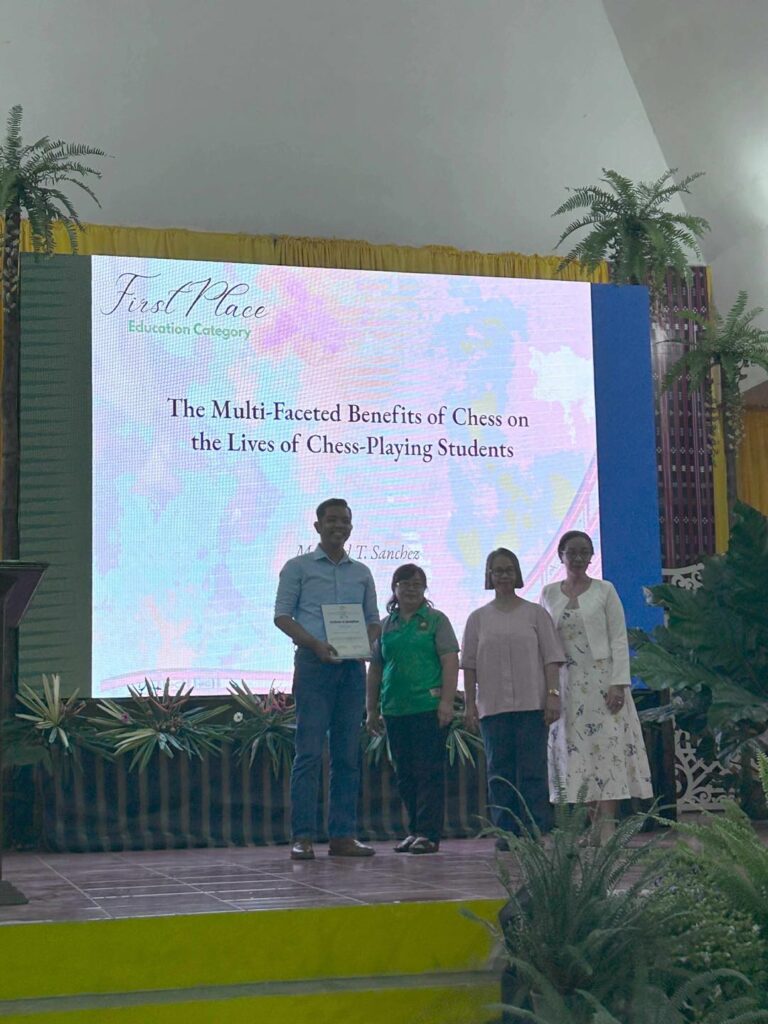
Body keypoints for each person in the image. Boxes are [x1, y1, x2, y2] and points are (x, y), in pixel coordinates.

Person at [274, 498, 380, 860]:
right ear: (317, 526)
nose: (339, 526)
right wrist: (315, 644)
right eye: (332, 520)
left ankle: (342, 836)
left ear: (351, 527)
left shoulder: (362, 572)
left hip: (351, 669)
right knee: (308, 752)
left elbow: (373, 621)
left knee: (347, 755)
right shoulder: (298, 567)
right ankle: (302, 836)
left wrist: (365, 642)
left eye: (344, 521)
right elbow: (282, 616)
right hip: (313, 665)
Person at [540, 530, 653, 843]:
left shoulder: (605, 590)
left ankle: (608, 827)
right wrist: (549, 689)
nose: (578, 558)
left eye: (584, 552)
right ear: (561, 555)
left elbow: (618, 638)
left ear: (592, 556)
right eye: (572, 552)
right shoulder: (549, 593)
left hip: (603, 683)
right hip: (567, 685)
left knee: (607, 752)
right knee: (579, 755)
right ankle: (592, 827)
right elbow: (545, 643)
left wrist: (619, 683)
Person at [462, 549, 565, 842]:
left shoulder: (536, 614)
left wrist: (553, 695)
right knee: (499, 772)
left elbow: (552, 658)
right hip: (493, 708)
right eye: (498, 570)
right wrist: (469, 705)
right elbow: (469, 665)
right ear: (489, 575)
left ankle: (535, 830)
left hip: (532, 705)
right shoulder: (477, 618)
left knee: (533, 772)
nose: (504, 575)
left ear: (517, 574)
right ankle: (506, 832)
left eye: (509, 570)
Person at [366, 564, 459, 854]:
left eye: (417, 584)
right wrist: (371, 709)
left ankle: (428, 834)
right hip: (395, 709)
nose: (410, 589)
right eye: (404, 583)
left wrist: (446, 702)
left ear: (425, 589)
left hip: (428, 707)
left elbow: (450, 661)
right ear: (394, 588)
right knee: (404, 773)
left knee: (428, 772)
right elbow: (375, 669)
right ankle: (415, 830)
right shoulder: (385, 625)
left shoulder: (436, 620)